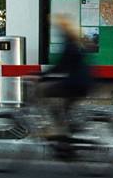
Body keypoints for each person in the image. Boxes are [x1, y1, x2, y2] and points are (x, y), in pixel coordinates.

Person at [36, 17, 94, 151]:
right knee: (65, 109)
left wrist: (41, 76)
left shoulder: (70, 44)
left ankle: (60, 132)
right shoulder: (75, 42)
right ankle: (67, 134)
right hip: (82, 82)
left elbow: (61, 65)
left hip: (76, 83)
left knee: (45, 92)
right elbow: (64, 66)